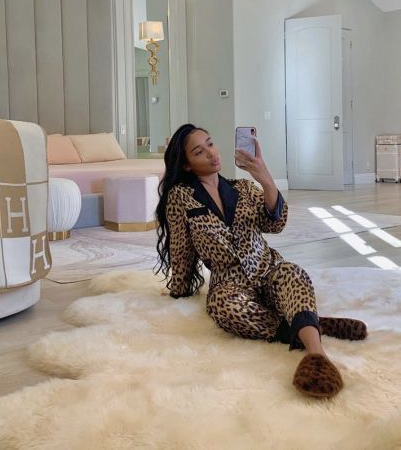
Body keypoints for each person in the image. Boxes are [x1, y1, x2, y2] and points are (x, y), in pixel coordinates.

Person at [155, 124, 367, 399]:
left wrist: (265, 177)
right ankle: (310, 324)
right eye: (199, 151)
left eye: (210, 143)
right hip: (230, 283)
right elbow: (181, 249)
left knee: (294, 273)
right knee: (223, 308)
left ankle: (317, 355)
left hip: (268, 268)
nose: (211, 153)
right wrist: (179, 288)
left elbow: (275, 224)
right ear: (186, 165)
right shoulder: (181, 197)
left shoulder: (243, 187)